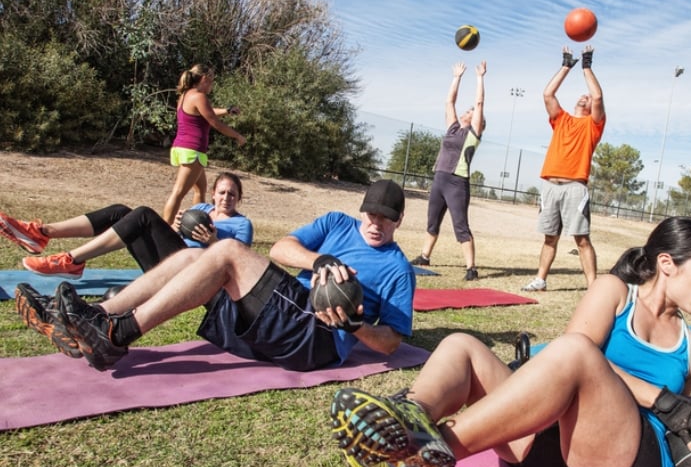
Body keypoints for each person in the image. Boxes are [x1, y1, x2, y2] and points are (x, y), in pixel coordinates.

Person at [331, 217, 691, 467]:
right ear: (667, 263)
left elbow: (677, 427)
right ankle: (410, 416)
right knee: (462, 345)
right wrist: (663, 400)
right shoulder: (615, 292)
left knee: (576, 354)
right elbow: (570, 357)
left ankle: (424, 457)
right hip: (549, 455)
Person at [17, 180, 415, 374]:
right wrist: (318, 259)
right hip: (288, 312)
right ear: (362, 209)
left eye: (386, 217)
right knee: (194, 257)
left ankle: (116, 335)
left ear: (399, 220)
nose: (376, 223)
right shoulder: (336, 223)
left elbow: (391, 344)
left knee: (224, 250)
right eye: (371, 213)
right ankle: (95, 317)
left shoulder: (397, 269)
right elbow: (280, 249)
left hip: (317, 339)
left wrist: (357, 325)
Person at [1, 172, 252, 278]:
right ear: (213, 195)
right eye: (222, 192)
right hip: (168, 258)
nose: (226, 198)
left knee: (143, 215)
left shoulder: (243, 225)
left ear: (239, 197)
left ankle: (71, 260)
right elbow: (175, 236)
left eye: (231, 194)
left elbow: (236, 267)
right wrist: (176, 227)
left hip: (187, 273)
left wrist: (213, 242)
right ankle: (42, 233)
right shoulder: (200, 210)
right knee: (120, 212)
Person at [521, 46, 606, 292]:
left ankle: (593, 287)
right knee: (549, 238)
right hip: (550, 185)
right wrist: (566, 66)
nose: (585, 97)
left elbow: (598, 97)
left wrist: (587, 66)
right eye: (582, 95)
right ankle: (540, 279)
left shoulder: (593, 125)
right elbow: (548, 94)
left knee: (581, 239)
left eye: (587, 97)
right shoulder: (562, 119)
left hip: (575, 188)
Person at [409, 61, 487, 281]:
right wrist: (457, 77)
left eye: (470, 111)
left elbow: (479, 103)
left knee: (460, 226)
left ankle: (471, 268)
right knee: (432, 221)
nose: (468, 111)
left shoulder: (473, 134)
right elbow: (449, 101)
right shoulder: (453, 128)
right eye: (468, 110)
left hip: (456, 182)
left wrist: (480, 77)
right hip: (439, 179)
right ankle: (425, 256)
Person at [162, 64, 246, 223]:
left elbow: (208, 111)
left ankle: (195, 224)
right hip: (192, 150)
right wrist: (237, 136)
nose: (212, 85)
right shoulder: (199, 96)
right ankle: (164, 229)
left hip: (184, 147)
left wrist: (227, 110)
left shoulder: (187, 95)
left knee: (200, 190)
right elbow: (214, 122)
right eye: (211, 81)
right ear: (204, 79)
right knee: (178, 192)